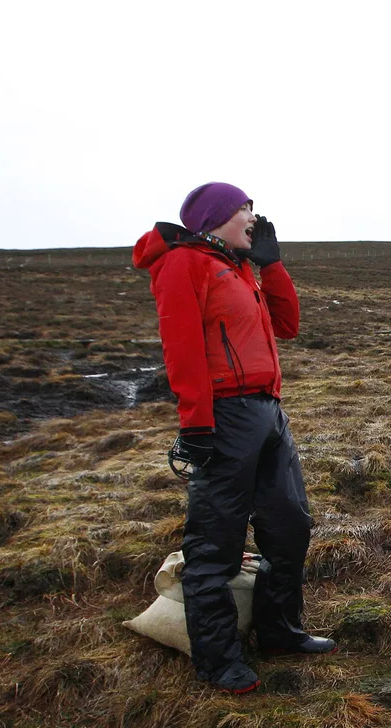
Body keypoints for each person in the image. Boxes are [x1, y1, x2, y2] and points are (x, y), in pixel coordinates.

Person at [133, 182, 334, 694]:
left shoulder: (242, 269)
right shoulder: (185, 263)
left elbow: (286, 326)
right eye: (243, 208)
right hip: (224, 416)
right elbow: (181, 347)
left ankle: (280, 632)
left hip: (269, 413)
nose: (253, 215)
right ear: (216, 216)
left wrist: (272, 265)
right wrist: (196, 424)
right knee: (215, 545)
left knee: (289, 528)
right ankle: (218, 661)